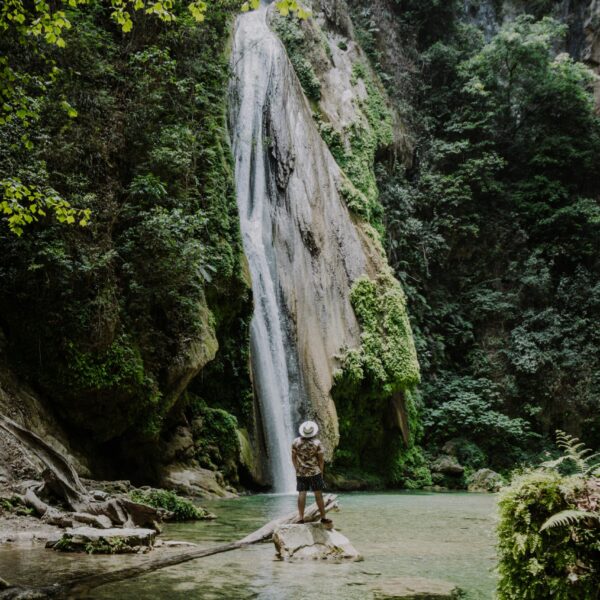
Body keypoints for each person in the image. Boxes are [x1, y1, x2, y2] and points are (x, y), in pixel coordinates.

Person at [291, 420, 332, 526]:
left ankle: (300, 518)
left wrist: (297, 468)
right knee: (318, 495)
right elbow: (321, 460)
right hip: (315, 472)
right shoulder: (317, 443)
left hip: (301, 473)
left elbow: (293, 457)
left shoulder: (295, 442)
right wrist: (321, 472)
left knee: (302, 494)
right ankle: (323, 518)